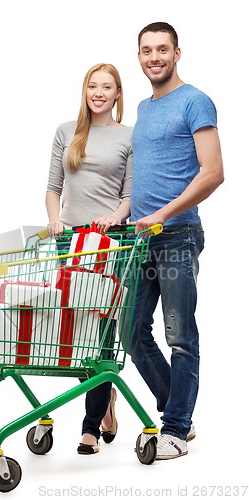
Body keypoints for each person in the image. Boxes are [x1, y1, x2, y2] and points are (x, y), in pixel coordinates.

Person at [127, 22, 224, 460]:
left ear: (177, 53)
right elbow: (144, 180)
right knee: (131, 333)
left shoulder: (195, 101)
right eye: (147, 50)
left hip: (177, 235)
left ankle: (175, 429)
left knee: (180, 336)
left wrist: (163, 216)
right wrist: (126, 213)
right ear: (140, 56)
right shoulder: (145, 110)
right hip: (140, 240)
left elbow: (213, 172)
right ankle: (179, 415)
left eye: (162, 49)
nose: (154, 57)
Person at [46, 63, 133, 454]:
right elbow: (53, 187)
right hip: (69, 240)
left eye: (107, 87)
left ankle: (90, 428)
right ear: (85, 90)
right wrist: (53, 219)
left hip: (108, 241)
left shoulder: (129, 137)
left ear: (117, 94)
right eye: (92, 86)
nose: (98, 92)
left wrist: (116, 216)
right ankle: (106, 399)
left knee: (100, 329)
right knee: (75, 325)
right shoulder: (67, 131)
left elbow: (131, 193)